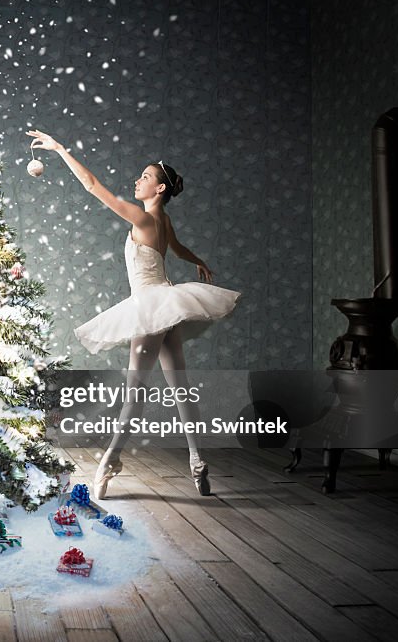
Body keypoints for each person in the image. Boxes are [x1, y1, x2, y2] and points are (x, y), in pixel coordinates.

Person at [27, 130, 239, 497]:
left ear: (159, 190)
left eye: (145, 177)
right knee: (180, 388)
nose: (137, 180)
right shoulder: (163, 222)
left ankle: (110, 461)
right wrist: (197, 260)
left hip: (151, 305)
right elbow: (176, 246)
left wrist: (60, 149)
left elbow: (94, 186)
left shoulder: (142, 220)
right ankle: (197, 461)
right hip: (167, 303)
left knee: (134, 393)